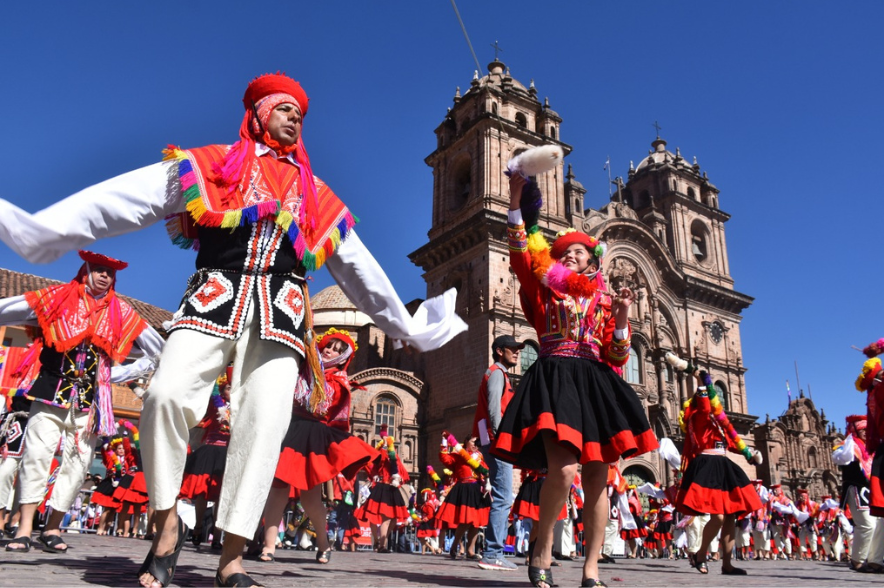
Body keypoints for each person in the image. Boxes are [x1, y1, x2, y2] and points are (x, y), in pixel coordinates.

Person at [0, 73, 466, 587]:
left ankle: (233, 557)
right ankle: (165, 519)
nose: (295, 118)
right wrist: (47, 231)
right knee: (165, 396)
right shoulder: (212, 165)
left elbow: (359, 270)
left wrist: (409, 325)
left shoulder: (317, 195)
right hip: (210, 304)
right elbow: (126, 198)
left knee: (265, 424)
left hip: (282, 319)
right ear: (259, 112)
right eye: (284, 108)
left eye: (301, 114)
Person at [493, 170, 657, 588]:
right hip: (554, 377)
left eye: (579, 253)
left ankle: (591, 568)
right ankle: (542, 547)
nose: (569, 255)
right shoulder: (543, 286)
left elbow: (617, 354)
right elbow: (517, 246)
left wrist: (622, 316)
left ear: (592, 261)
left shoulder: (604, 299)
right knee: (563, 472)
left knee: (598, 478)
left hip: (596, 383)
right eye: (564, 251)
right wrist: (515, 193)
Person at [0, 252, 162, 555]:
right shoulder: (56, 300)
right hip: (50, 395)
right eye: (100, 271)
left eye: (110, 274)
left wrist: (119, 374)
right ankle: (23, 530)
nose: (105, 277)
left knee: (78, 465)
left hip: (90, 407)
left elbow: (155, 346)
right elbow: (12, 308)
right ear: (85, 271)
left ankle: (52, 528)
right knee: (36, 457)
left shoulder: (122, 313)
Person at [256, 328, 377, 565]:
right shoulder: (301, 367)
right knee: (278, 489)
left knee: (310, 499)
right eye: (328, 346)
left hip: (313, 438)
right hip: (290, 431)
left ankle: (323, 542)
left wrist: (311, 365)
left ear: (344, 357)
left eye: (337, 350)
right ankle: (268, 544)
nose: (330, 351)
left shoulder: (338, 380)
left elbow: (322, 404)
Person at [673, 365, 763, 576]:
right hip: (708, 465)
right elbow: (705, 406)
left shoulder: (717, 423)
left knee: (731, 516)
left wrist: (749, 454)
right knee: (719, 517)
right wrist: (702, 381)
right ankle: (701, 554)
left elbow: (732, 442)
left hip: (723, 466)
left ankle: (727, 564)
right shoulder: (698, 416)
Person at [472, 334, 523, 571]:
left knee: (502, 496)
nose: (518, 352)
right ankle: (493, 553)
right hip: (496, 441)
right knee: (503, 497)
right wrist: (500, 437)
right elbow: (494, 409)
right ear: (500, 350)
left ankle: (494, 552)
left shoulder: (495, 373)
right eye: (513, 348)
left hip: (489, 439)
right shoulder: (497, 373)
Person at [178, 370, 232, 549]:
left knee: (221, 496)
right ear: (223, 389)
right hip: (210, 450)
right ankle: (198, 526)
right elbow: (212, 389)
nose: (231, 392)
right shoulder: (215, 404)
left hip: (227, 452)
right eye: (228, 388)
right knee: (202, 491)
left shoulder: (238, 407)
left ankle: (217, 535)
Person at [833, 413, 884, 572]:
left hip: (873, 489)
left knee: (880, 523)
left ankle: (876, 560)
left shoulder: (874, 447)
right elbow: (840, 458)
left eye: (868, 429)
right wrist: (850, 444)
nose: (866, 432)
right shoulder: (847, 444)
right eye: (863, 429)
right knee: (867, 524)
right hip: (856, 489)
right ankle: (858, 560)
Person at [436, 433, 491, 561]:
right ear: (466, 442)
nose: (475, 445)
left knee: (476, 523)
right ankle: (455, 546)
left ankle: (470, 550)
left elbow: (486, 471)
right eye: (473, 442)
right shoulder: (458, 455)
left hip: (477, 489)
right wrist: (444, 443)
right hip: (464, 488)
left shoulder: (481, 457)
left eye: (477, 443)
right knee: (466, 521)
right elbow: (445, 459)